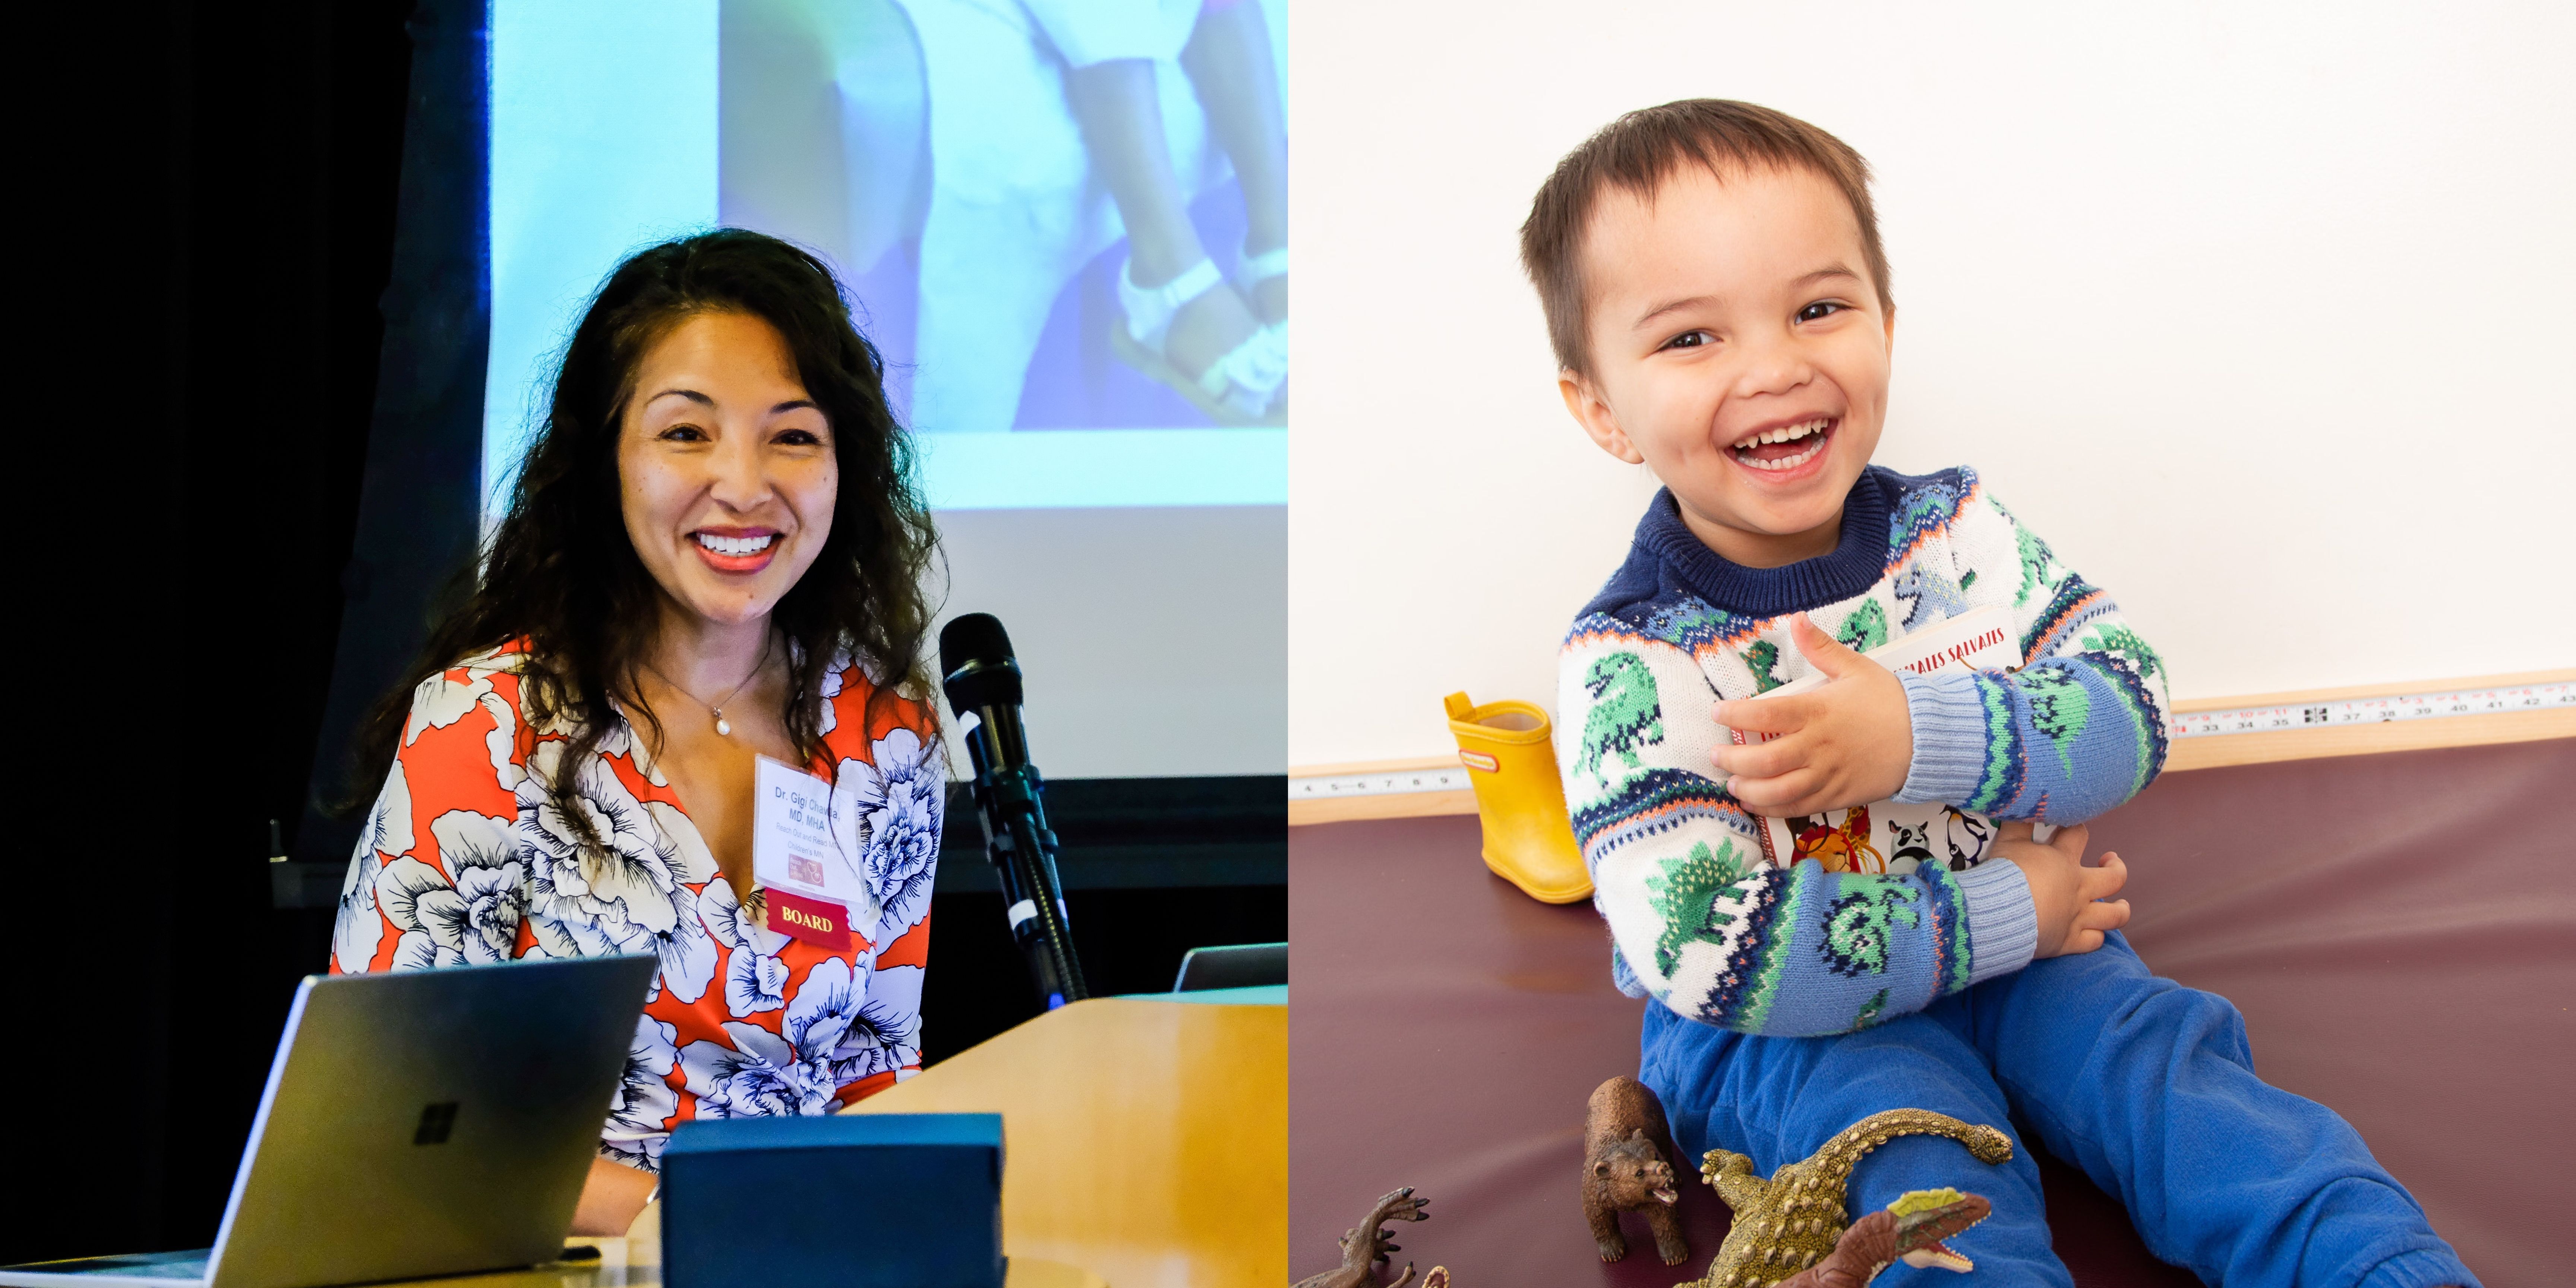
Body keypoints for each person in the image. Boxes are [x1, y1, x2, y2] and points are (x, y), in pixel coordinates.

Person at [1529, 101, 2475, 1287]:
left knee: (2180, 1087)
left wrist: (1916, 738)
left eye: (1818, 308)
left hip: (2035, 956)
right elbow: (1720, 954)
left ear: (1885, 320)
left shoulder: (1958, 534)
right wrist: (2012, 910)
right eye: (1690, 339)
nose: (1774, 365)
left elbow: (2129, 711)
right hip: (1794, 1025)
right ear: (1602, 409)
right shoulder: (1631, 661)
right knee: (1921, 1175)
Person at [330, 230, 947, 1236]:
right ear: (605, 457)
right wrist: (705, 1217)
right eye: (687, 434)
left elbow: (877, 1070)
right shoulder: (485, 724)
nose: (746, 486)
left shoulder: (887, 737)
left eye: (793, 436)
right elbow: (398, 1115)